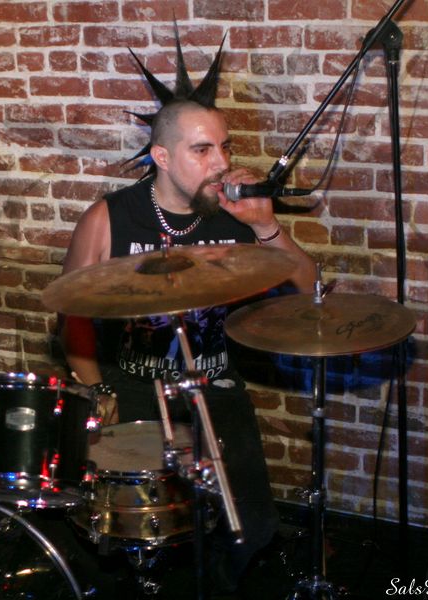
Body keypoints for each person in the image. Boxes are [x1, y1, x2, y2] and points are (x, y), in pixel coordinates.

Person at [58, 97, 317, 596]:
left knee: (253, 527)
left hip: (216, 385)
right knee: (134, 525)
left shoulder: (234, 217)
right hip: (136, 386)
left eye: (224, 147)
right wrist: (97, 392)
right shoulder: (111, 217)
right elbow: (72, 316)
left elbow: (309, 292)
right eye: (202, 150)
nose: (221, 163)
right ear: (161, 156)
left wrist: (264, 225)